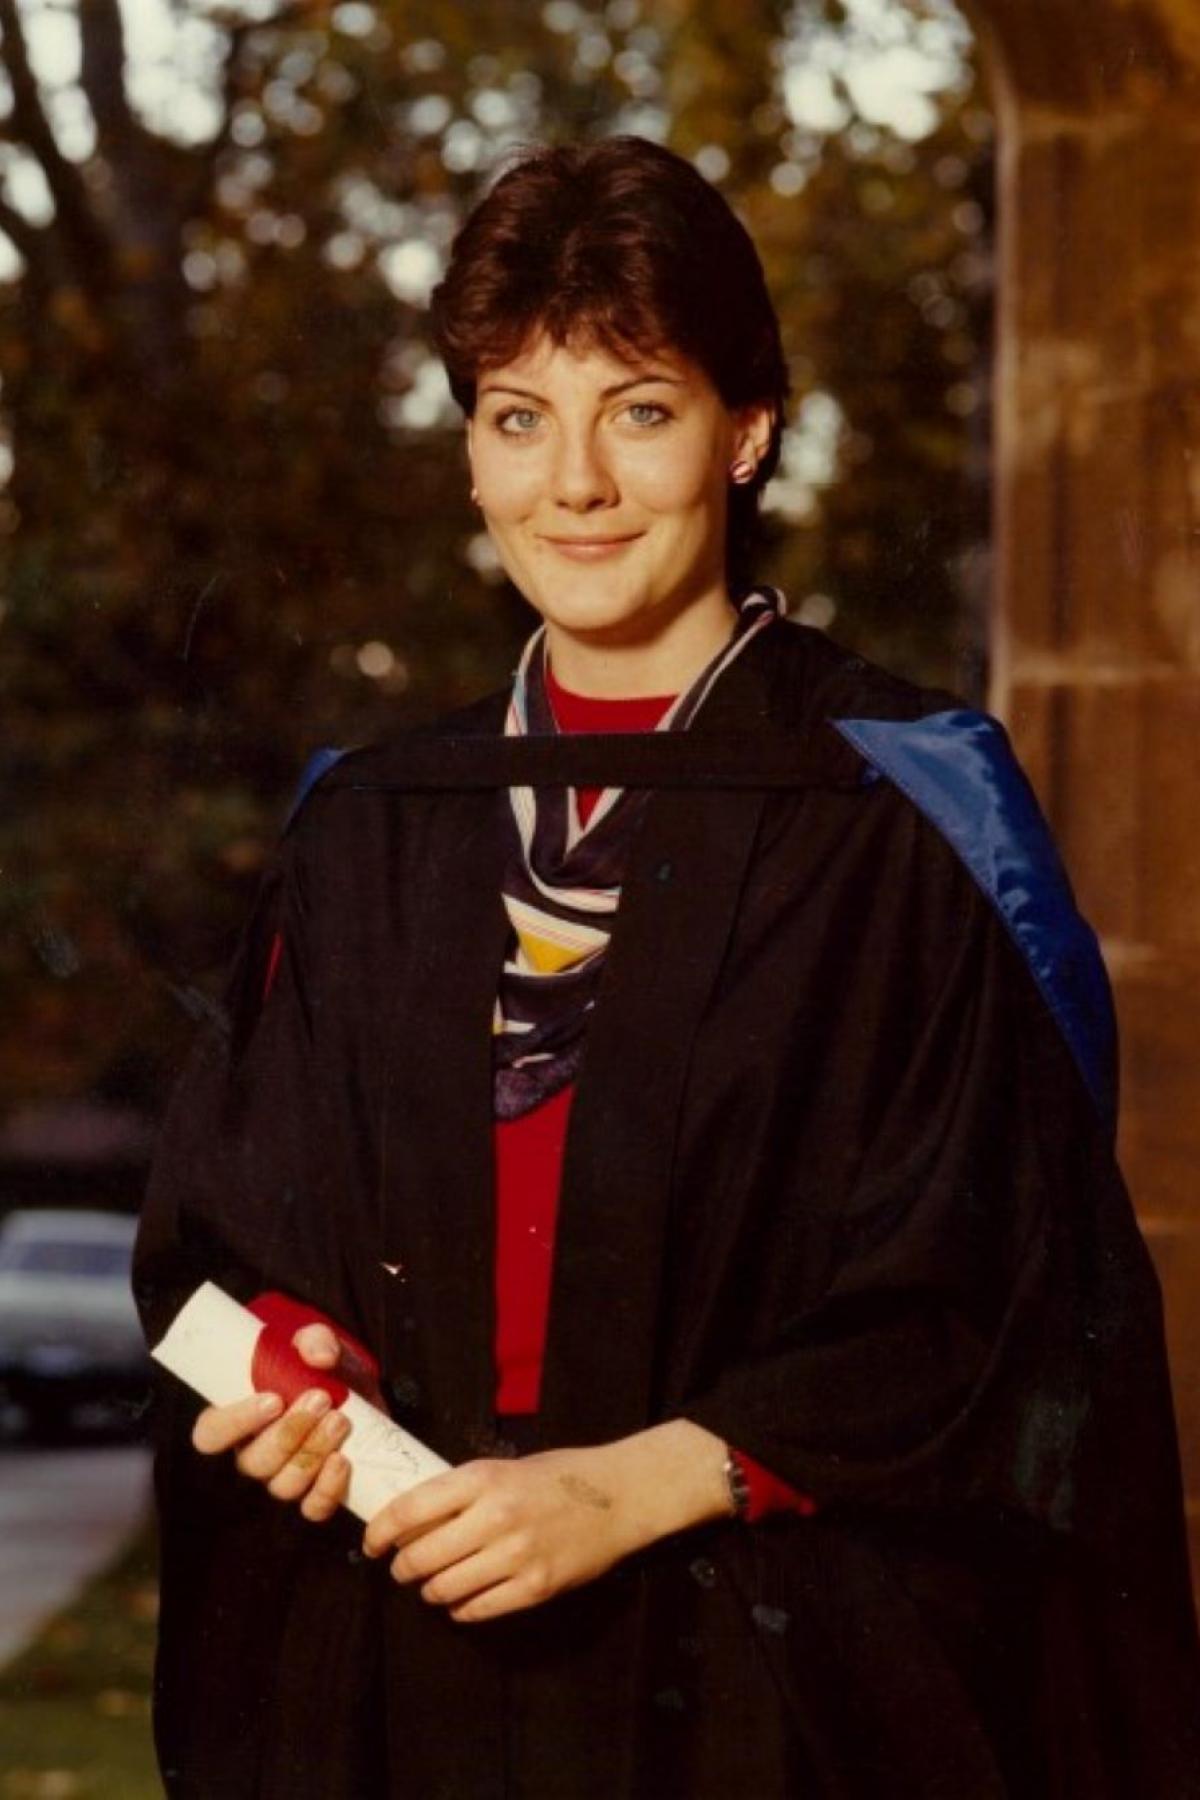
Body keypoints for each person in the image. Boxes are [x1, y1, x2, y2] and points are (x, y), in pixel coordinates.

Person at [134, 136, 1200, 1799]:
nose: (576, 485)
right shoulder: (376, 830)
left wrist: (640, 1485)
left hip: (768, 1698)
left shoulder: (902, 817)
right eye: (516, 419)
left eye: (638, 408)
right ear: (472, 457)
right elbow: (227, 1216)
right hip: (408, 1670)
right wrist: (290, 1354)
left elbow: (1001, 1295)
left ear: (747, 431)